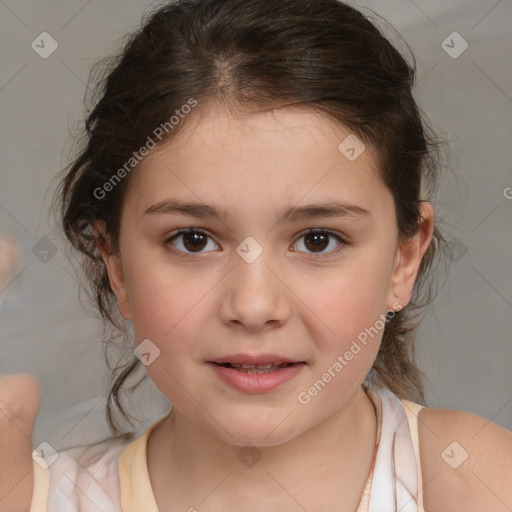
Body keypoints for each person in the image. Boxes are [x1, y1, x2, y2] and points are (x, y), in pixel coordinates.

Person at [1, 0, 511, 510]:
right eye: (193, 240)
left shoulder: (470, 479)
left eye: (317, 240)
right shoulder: (36, 497)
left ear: (404, 259)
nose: (252, 305)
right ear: (115, 262)